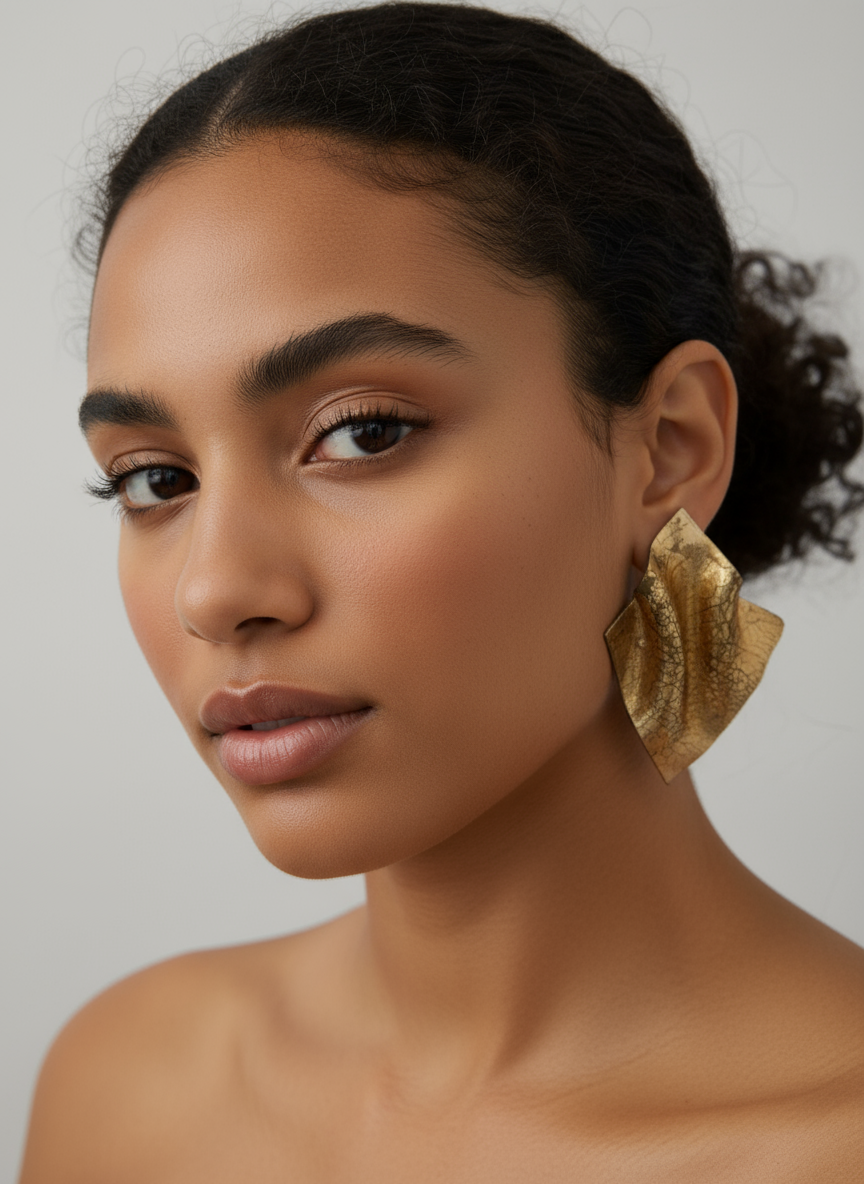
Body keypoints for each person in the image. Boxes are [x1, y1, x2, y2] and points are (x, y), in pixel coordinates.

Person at [19, 3, 864, 1179]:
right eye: (155, 477)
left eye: (362, 433)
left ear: (669, 446)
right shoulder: (125, 1092)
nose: (216, 588)